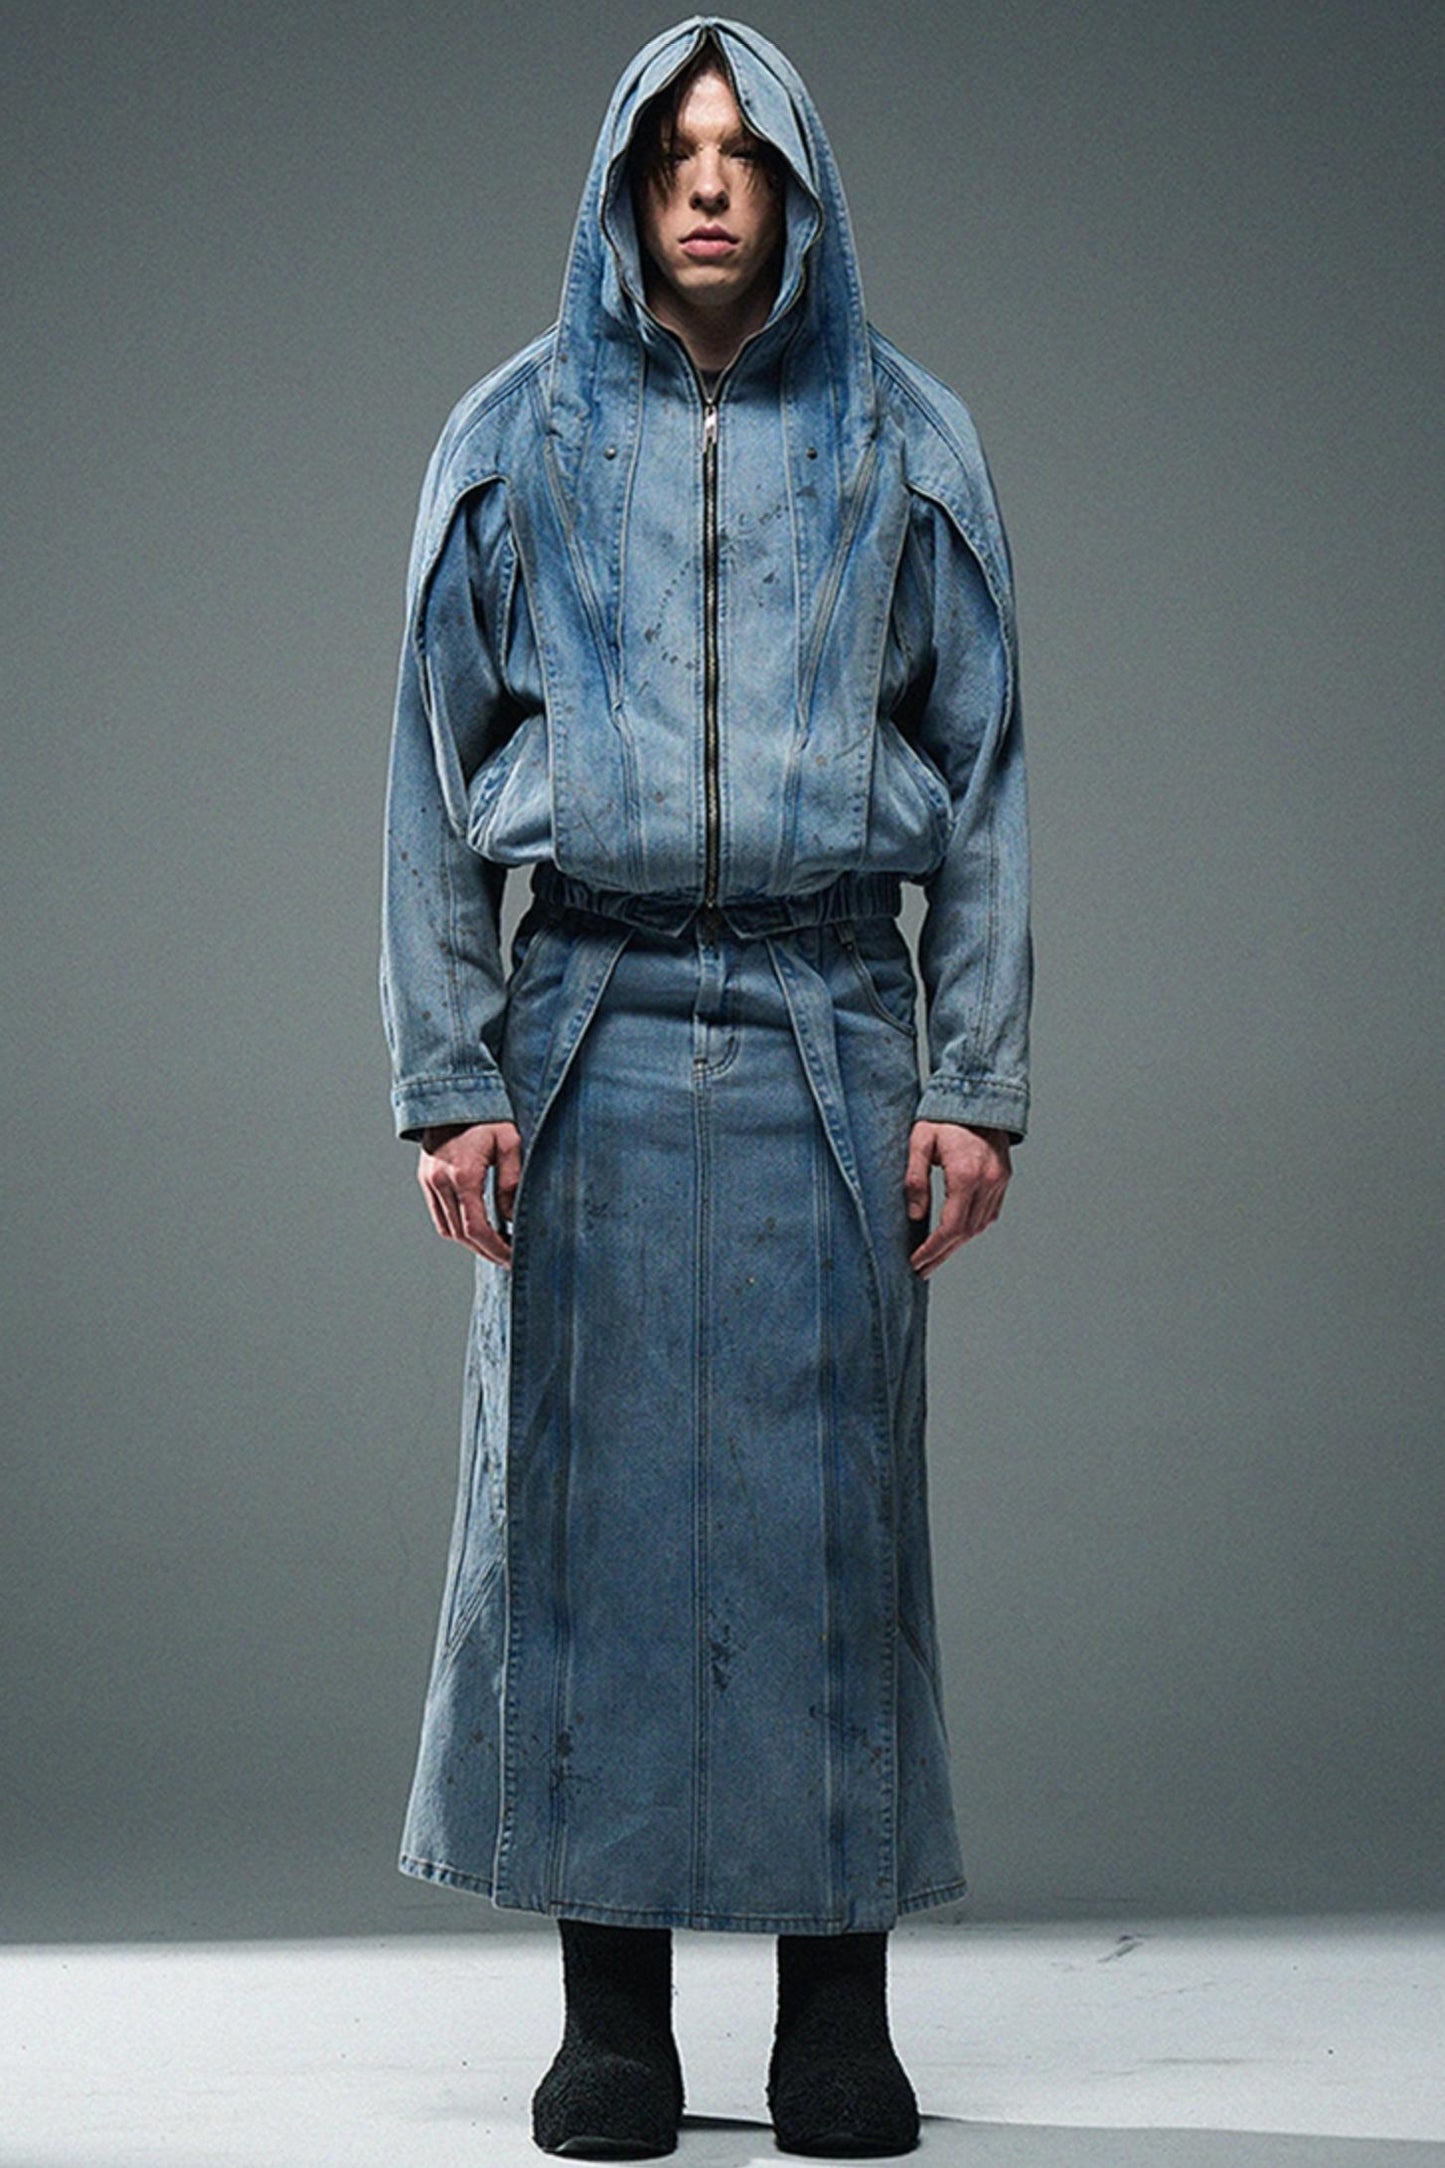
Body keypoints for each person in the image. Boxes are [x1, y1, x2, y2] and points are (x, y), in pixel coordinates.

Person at [381, 16, 1030, 2157]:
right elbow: (427, 779)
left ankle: (835, 2017)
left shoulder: (911, 442)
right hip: (588, 1023)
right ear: (625, 184)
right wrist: (449, 1075)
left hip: (839, 1027)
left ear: (802, 189)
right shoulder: (511, 438)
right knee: (585, 1532)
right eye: (675, 148)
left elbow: (986, 777)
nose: (710, 182)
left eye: (746, 151)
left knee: (836, 1533)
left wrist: (975, 1081)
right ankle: (616, 2023)